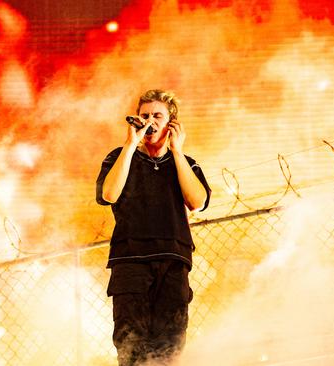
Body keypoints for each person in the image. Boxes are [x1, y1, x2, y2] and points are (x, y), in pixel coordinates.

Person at [96, 89, 211, 365]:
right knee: (131, 345)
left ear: (171, 123)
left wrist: (178, 151)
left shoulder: (186, 163)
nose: (150, 121)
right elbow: (109, 194)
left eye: (158, 116)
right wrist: (130, 145)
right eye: (145, 115)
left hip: (173, 262)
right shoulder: (118, 157)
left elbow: (197, 201)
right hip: (130, 261)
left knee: (170, 347)